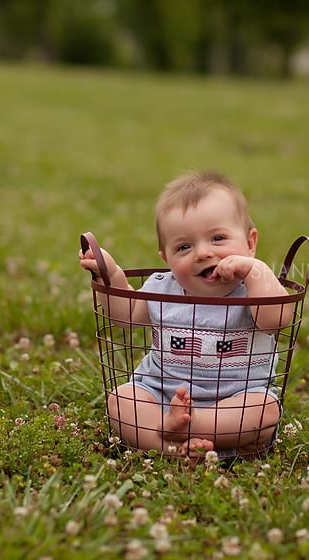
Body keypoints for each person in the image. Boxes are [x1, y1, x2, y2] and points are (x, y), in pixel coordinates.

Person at [79, 171, 291, 458]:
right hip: (161, 395)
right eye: (184, 247)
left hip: (236, 401)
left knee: (263, 412)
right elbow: (125, 315)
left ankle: (185, 430)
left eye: (218, 238)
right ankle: (171, 448)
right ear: (166, 258)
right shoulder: (162, 288)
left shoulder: (254, 290)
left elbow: (277, 319)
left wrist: (256, 270)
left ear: (250, 244)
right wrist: (110, 275)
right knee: (122, 401)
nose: (203, 253)